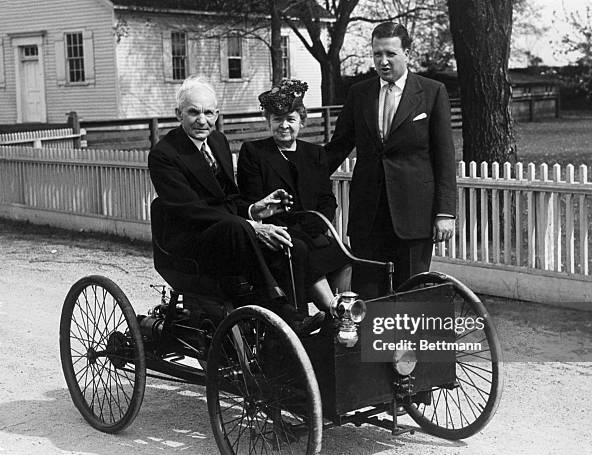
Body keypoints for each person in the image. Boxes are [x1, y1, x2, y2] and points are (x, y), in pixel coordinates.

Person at [148, 75, 324, 333]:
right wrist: (252, 226)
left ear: (217, 114)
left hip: (227, 232)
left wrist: (254, 209)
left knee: (292, 245)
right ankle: (280, 309)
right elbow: (190, 210)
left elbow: (227, 199)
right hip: (188, 242)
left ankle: (294, 329)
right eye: (193, 112)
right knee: (238, 228)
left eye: (208, 113)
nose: (202, 120)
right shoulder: (164, 154)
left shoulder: (218, 141)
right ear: (178, 114)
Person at [325, 22, 457, 299]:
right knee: (369, 296)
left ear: (407, 53)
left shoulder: (432, 92)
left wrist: (445, 212)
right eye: (376, 54)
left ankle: (412, 344)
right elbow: (337, 148)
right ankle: (371, 344)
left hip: (413, 215)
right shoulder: (359, 94)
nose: (383, 62)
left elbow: (445, 157)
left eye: (390, 54)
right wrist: (298, 171)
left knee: (411, 296)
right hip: (368, 216)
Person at [237, 79, 351, 314]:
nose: (284, 126)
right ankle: (332, 311)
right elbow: (252, 200)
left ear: (302, 121)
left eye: (291, 119)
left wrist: (319, 224)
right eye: (278, 119)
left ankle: (341, 307)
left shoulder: (315, 154)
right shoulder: (254, 153)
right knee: (299, 249)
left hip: (312, 230)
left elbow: (327, 199)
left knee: (344, 252)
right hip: (275, 235)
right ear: (268, 120)